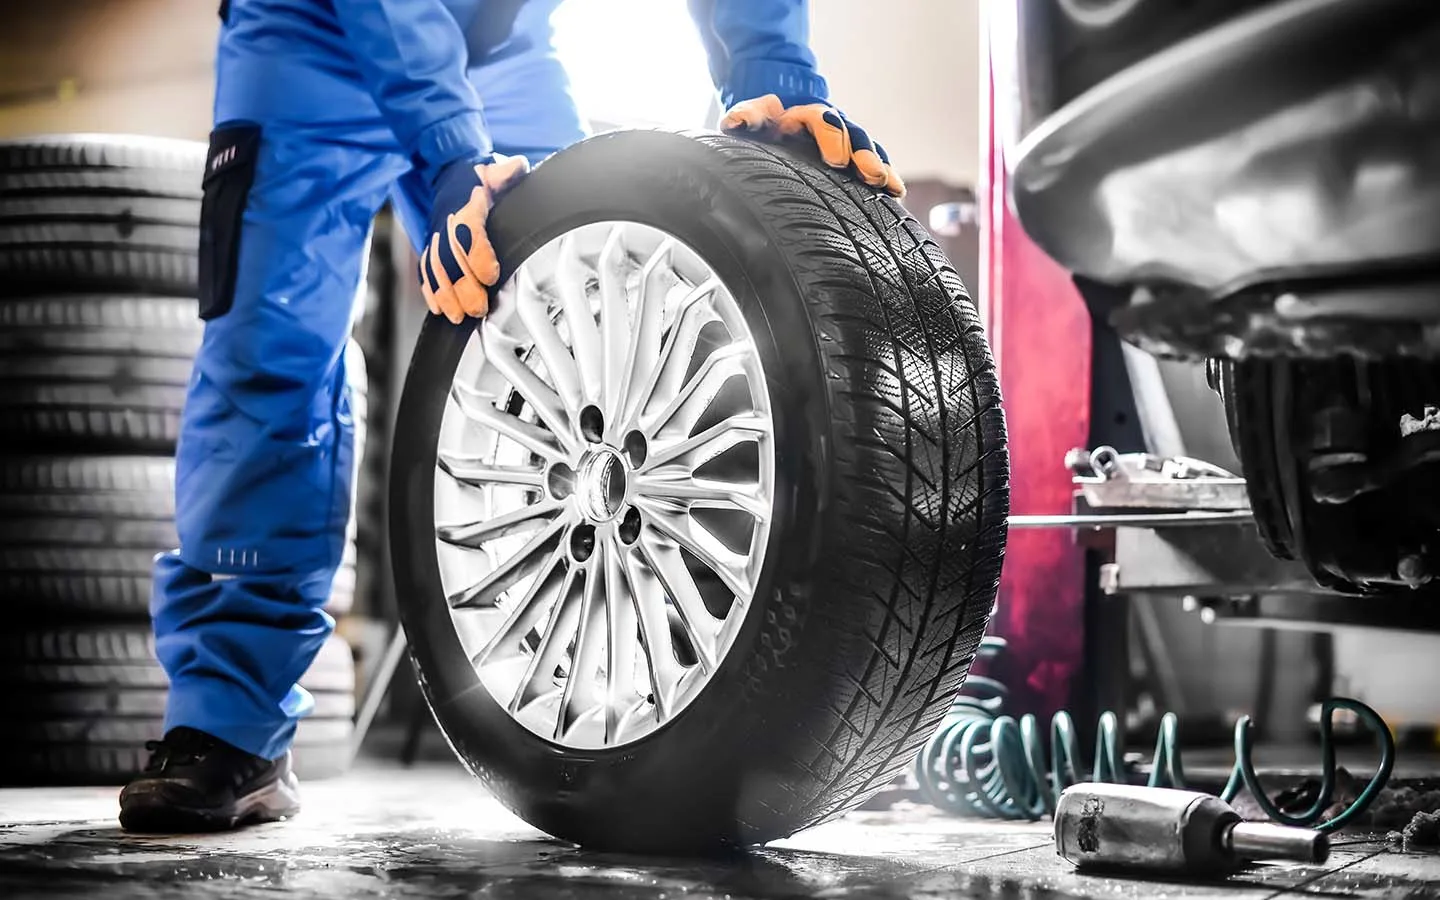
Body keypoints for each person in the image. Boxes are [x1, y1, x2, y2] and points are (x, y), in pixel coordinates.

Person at [117, 0, 903, 833]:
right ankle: (228, 724)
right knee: (267, 357)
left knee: (589, 316)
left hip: (498, 42)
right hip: (305, 35)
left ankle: (631, 682)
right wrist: (451, 150)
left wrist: (772, 80)